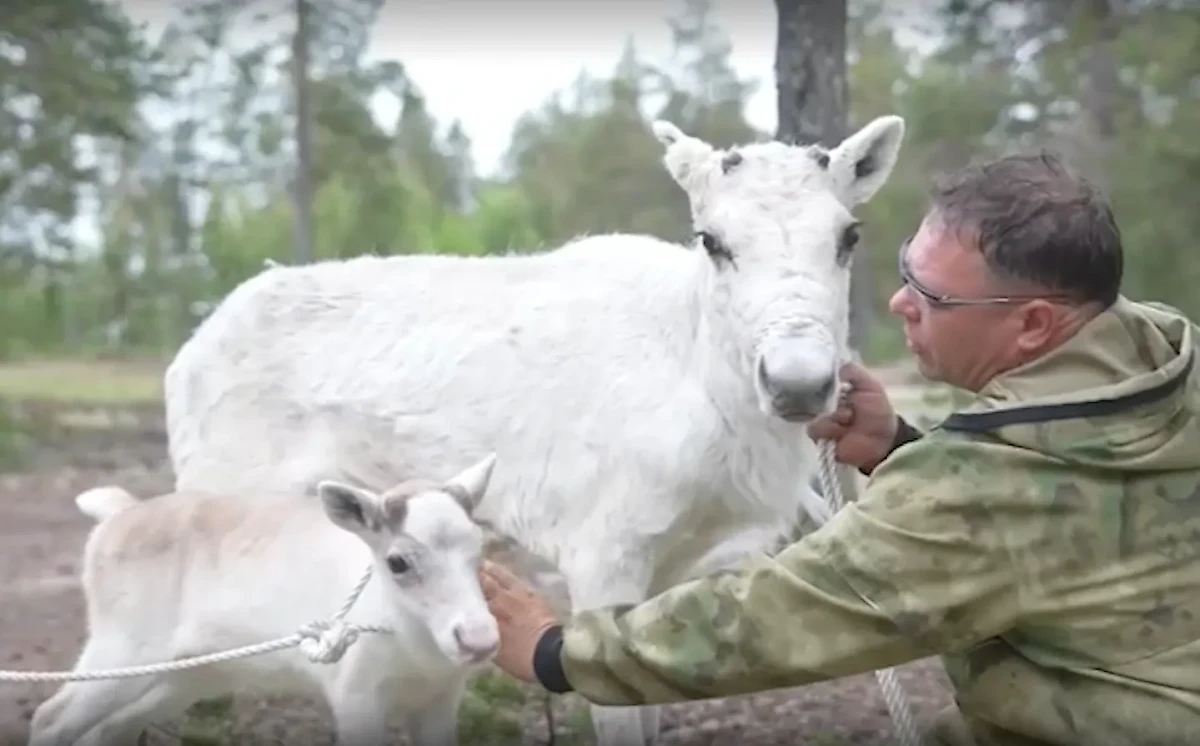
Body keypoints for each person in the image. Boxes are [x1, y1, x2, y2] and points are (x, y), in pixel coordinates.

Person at [477, 151, 1200, 746]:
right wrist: (898, 450)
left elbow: (776, 620)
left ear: (1035, 326)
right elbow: (1061, 528)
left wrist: (558, 651)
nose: (899, 302)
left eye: (932, 296)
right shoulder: (1168, 366)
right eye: (904, 268)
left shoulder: (977, 487)